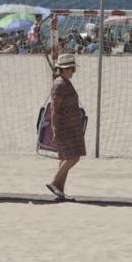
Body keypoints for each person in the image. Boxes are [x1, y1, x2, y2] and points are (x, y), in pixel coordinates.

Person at [45, 53, 86, 200]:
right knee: (73, 157)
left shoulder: (63, 82)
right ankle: (55, 182)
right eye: (71, 69)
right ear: (63, 69)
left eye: (74, 68)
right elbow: (54, 110)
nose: (73, 71)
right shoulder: (60, 84)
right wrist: (55, 130)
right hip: (65, 127)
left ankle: (60, 192)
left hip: (71, 126)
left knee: (65, 158)